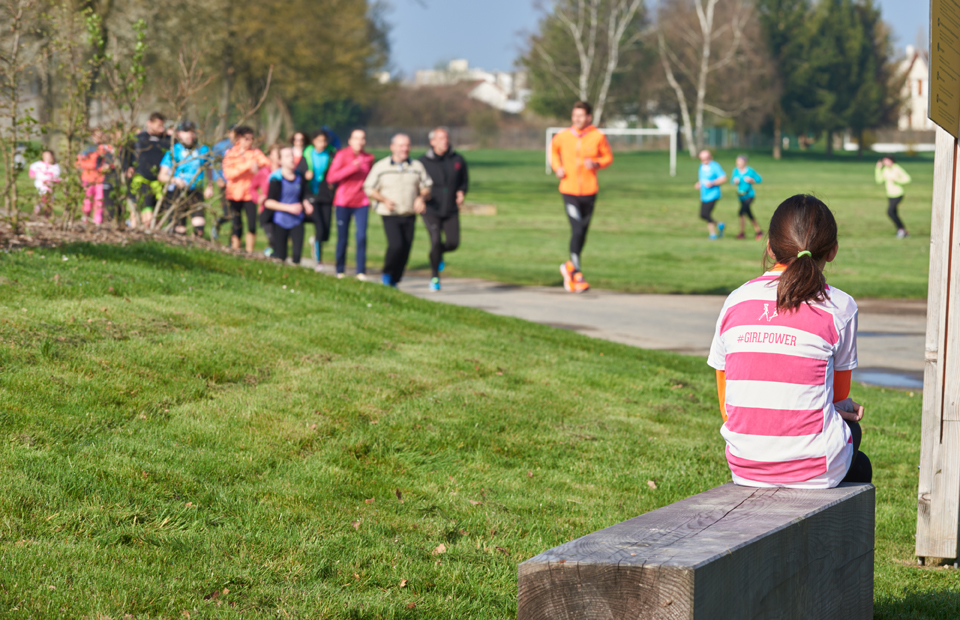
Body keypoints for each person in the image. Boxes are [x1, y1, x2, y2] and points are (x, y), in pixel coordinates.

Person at [707, 194, 871, 488]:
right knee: (855, 447)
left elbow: (726, 405)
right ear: (832, 251)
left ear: (770, 248)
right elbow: (839, 397)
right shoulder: (841, 306)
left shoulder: (735, 301)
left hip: (744, 464)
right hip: (816, 465)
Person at [550, 101, 613, 294]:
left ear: (588, 117)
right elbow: (553, 152)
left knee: (582, 233)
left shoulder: (597, 136)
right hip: (568, 189)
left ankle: (569, 266)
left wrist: (595, 163)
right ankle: (577, 274)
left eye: (580, 116)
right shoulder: (562, 136)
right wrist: (557, 167)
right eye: (574, 115)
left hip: (589, 190)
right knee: (576, 229)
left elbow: (608, 158)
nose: (576, 119)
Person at [364, 133, 433, 287]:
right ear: (392, 147)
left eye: (407, 145)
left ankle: (396, 279)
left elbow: (427, 186)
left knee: (406, 248)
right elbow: (369, 187)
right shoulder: (381, 166)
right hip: (389, 213)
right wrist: (383, 199)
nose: (405, 149)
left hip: (409, 212)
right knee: (396, 245)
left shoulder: (416, 166)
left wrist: (421, 197)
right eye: (401, 145)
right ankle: (387, 274)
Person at [419, 127, 468, 292]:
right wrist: (420, 197)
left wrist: (461, 192)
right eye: (440, 138)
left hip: (451, 209)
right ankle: (434, 277)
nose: (444, 141)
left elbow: (464, 181)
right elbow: (416, 182)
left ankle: (438, 254)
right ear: (432, 142)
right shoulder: (423, 162)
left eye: (446, 137)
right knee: (435, 241)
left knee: (453, 243)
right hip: (431, 208)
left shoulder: (458, 159)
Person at [326, 129, 375, 280]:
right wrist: (352, 168)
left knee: (361, 236)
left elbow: (372, 180)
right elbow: (331, 178)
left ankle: (361, 271)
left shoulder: (369, 158)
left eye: (362, 139)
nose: (359, 142)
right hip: (343, 202)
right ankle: (340, 270)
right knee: (343, 237)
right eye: (356, 138)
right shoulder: (341, 155)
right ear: (350, 140)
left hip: (362, 202)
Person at [157, 121, 214, 236]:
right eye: (186, 132)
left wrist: (210, 186)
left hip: (195, 191)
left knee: (199, 226)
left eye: (192, 132)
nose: (189, 135)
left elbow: (209, 168)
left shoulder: (202, 150)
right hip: (177, 191)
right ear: (179, 134)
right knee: (179, 227)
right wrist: (175, 180)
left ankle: (198, 248)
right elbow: (161, 176)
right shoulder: (173, 151)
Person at [222, 126, 272, 253]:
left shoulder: (255, 153)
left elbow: (267, 163)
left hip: (249, 194)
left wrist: (257, 166)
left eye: (251, 139)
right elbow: (228, 174)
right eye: (246, 139)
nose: (249, 142)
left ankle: (250, 252)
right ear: (239, 138)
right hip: (233, 194)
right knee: (236, 224)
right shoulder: (230, 154)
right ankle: (235, 250)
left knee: (251, 225)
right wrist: (247, 166)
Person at [265, 147, 313, 264]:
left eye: (291, 155)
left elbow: (305, 194)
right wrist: (289, 208)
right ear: (280, 161)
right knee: (281, 257)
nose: (291, 159)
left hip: (297, 220)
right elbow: (268, 202)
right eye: (287, 156)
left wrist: (307, 203)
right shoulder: (276, 178)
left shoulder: (299, 176)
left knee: (297, 256)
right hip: (280, 220)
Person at [298, 129, 337, 272]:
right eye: (319, 141)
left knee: (326, 230)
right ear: (313, 141)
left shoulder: (332, 154)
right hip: (311, 195)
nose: (322, 144)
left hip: (325, 195)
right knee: (319, 226)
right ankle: (318, 261)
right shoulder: (307, 154)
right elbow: (298, 174)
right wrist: (305, 175)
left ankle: (316, 241)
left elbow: (336, 170)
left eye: (324, 141)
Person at [126, 112, 171, 227]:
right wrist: (128, 167)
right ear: (149, 123)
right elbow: (126, 155)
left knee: (157, 217)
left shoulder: (167, 141)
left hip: (160, 183)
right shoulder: (138, 139)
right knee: (146, 214)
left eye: (163, 126)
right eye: (158, 125)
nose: (161, 129)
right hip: (142, 180)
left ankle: (150, 240)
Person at [252, 143, 283, 256]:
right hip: (265, 210)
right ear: (270, 156)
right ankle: (271, 254)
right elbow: (252, 188)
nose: (279, 157)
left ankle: (273, 255)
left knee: (280, 239)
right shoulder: (263, 172)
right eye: (276, 154)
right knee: (273, 238)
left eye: (280, 154)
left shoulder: (286, 172)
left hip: (281, 210)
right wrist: (258, 198)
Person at [77, 130, 112, 225]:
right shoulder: (87, 148)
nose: (98, 138)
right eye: (96, 135)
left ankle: (98, 222)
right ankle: (85, 220)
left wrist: (107, 167)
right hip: (87, 179)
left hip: (101, 180)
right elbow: (78, 162)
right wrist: (93, 165)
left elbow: (113, 161)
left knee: (99, 202)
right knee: (87, 203)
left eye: (101, 135)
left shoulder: (107, 148)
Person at [875, 156, 912, 238]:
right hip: (890, 195)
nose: (885, 163)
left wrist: (897, 180)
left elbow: (908, 179)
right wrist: (878, 169)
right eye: (884, 162)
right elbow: (879, 180)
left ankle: (901, 229)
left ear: (891, 161)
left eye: (886, 161)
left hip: (898, 194)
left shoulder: (897, 168)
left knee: (890, 212)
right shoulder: (885, 170)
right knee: (894, 213)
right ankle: (902, 230)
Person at [730, 155, 763, 240]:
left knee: (741, 212)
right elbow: (732, 180)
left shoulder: (750, 171)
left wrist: (751, 180)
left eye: (740, 161)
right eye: (737, 162)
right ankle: (758, 231)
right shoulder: (736, 171)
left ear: (745, 162)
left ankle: (742, 233)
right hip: (741, 196)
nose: (738, 163)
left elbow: (759, 179)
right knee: (749, 214)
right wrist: (735, 181)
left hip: (749, 195)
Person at [696, 150, 727, 239]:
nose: (704, 160)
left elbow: (723, 178)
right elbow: (703, 179)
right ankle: (720, 225)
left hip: (713, 194)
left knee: (706, 213)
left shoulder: (715, 166)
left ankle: (713, 234)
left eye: (706, 158)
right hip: (704, 195)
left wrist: (713, 183)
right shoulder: (701, 167)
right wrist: (699, 184)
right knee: (703, 215)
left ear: (710, 157)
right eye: (702, 159)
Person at [211, 126, 235, 240]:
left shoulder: (240, 148)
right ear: (228, 133)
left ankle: (233, 241)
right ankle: (217, 224)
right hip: (225, 184)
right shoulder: (221, 146)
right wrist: (218, 178)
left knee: (236, 216)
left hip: (238, 186)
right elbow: (214, 163)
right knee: (228, 213)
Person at [29, 149, 61, 216]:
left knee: (49, 202)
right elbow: (32, 173)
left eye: (49, 156)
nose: (47, 158)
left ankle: (43, 213)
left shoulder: (55, 166)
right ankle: (39, 210)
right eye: (45, 156)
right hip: (41, 186)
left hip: (51, 186)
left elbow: (57, 177)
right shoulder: (37, 165)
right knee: (45, 197)